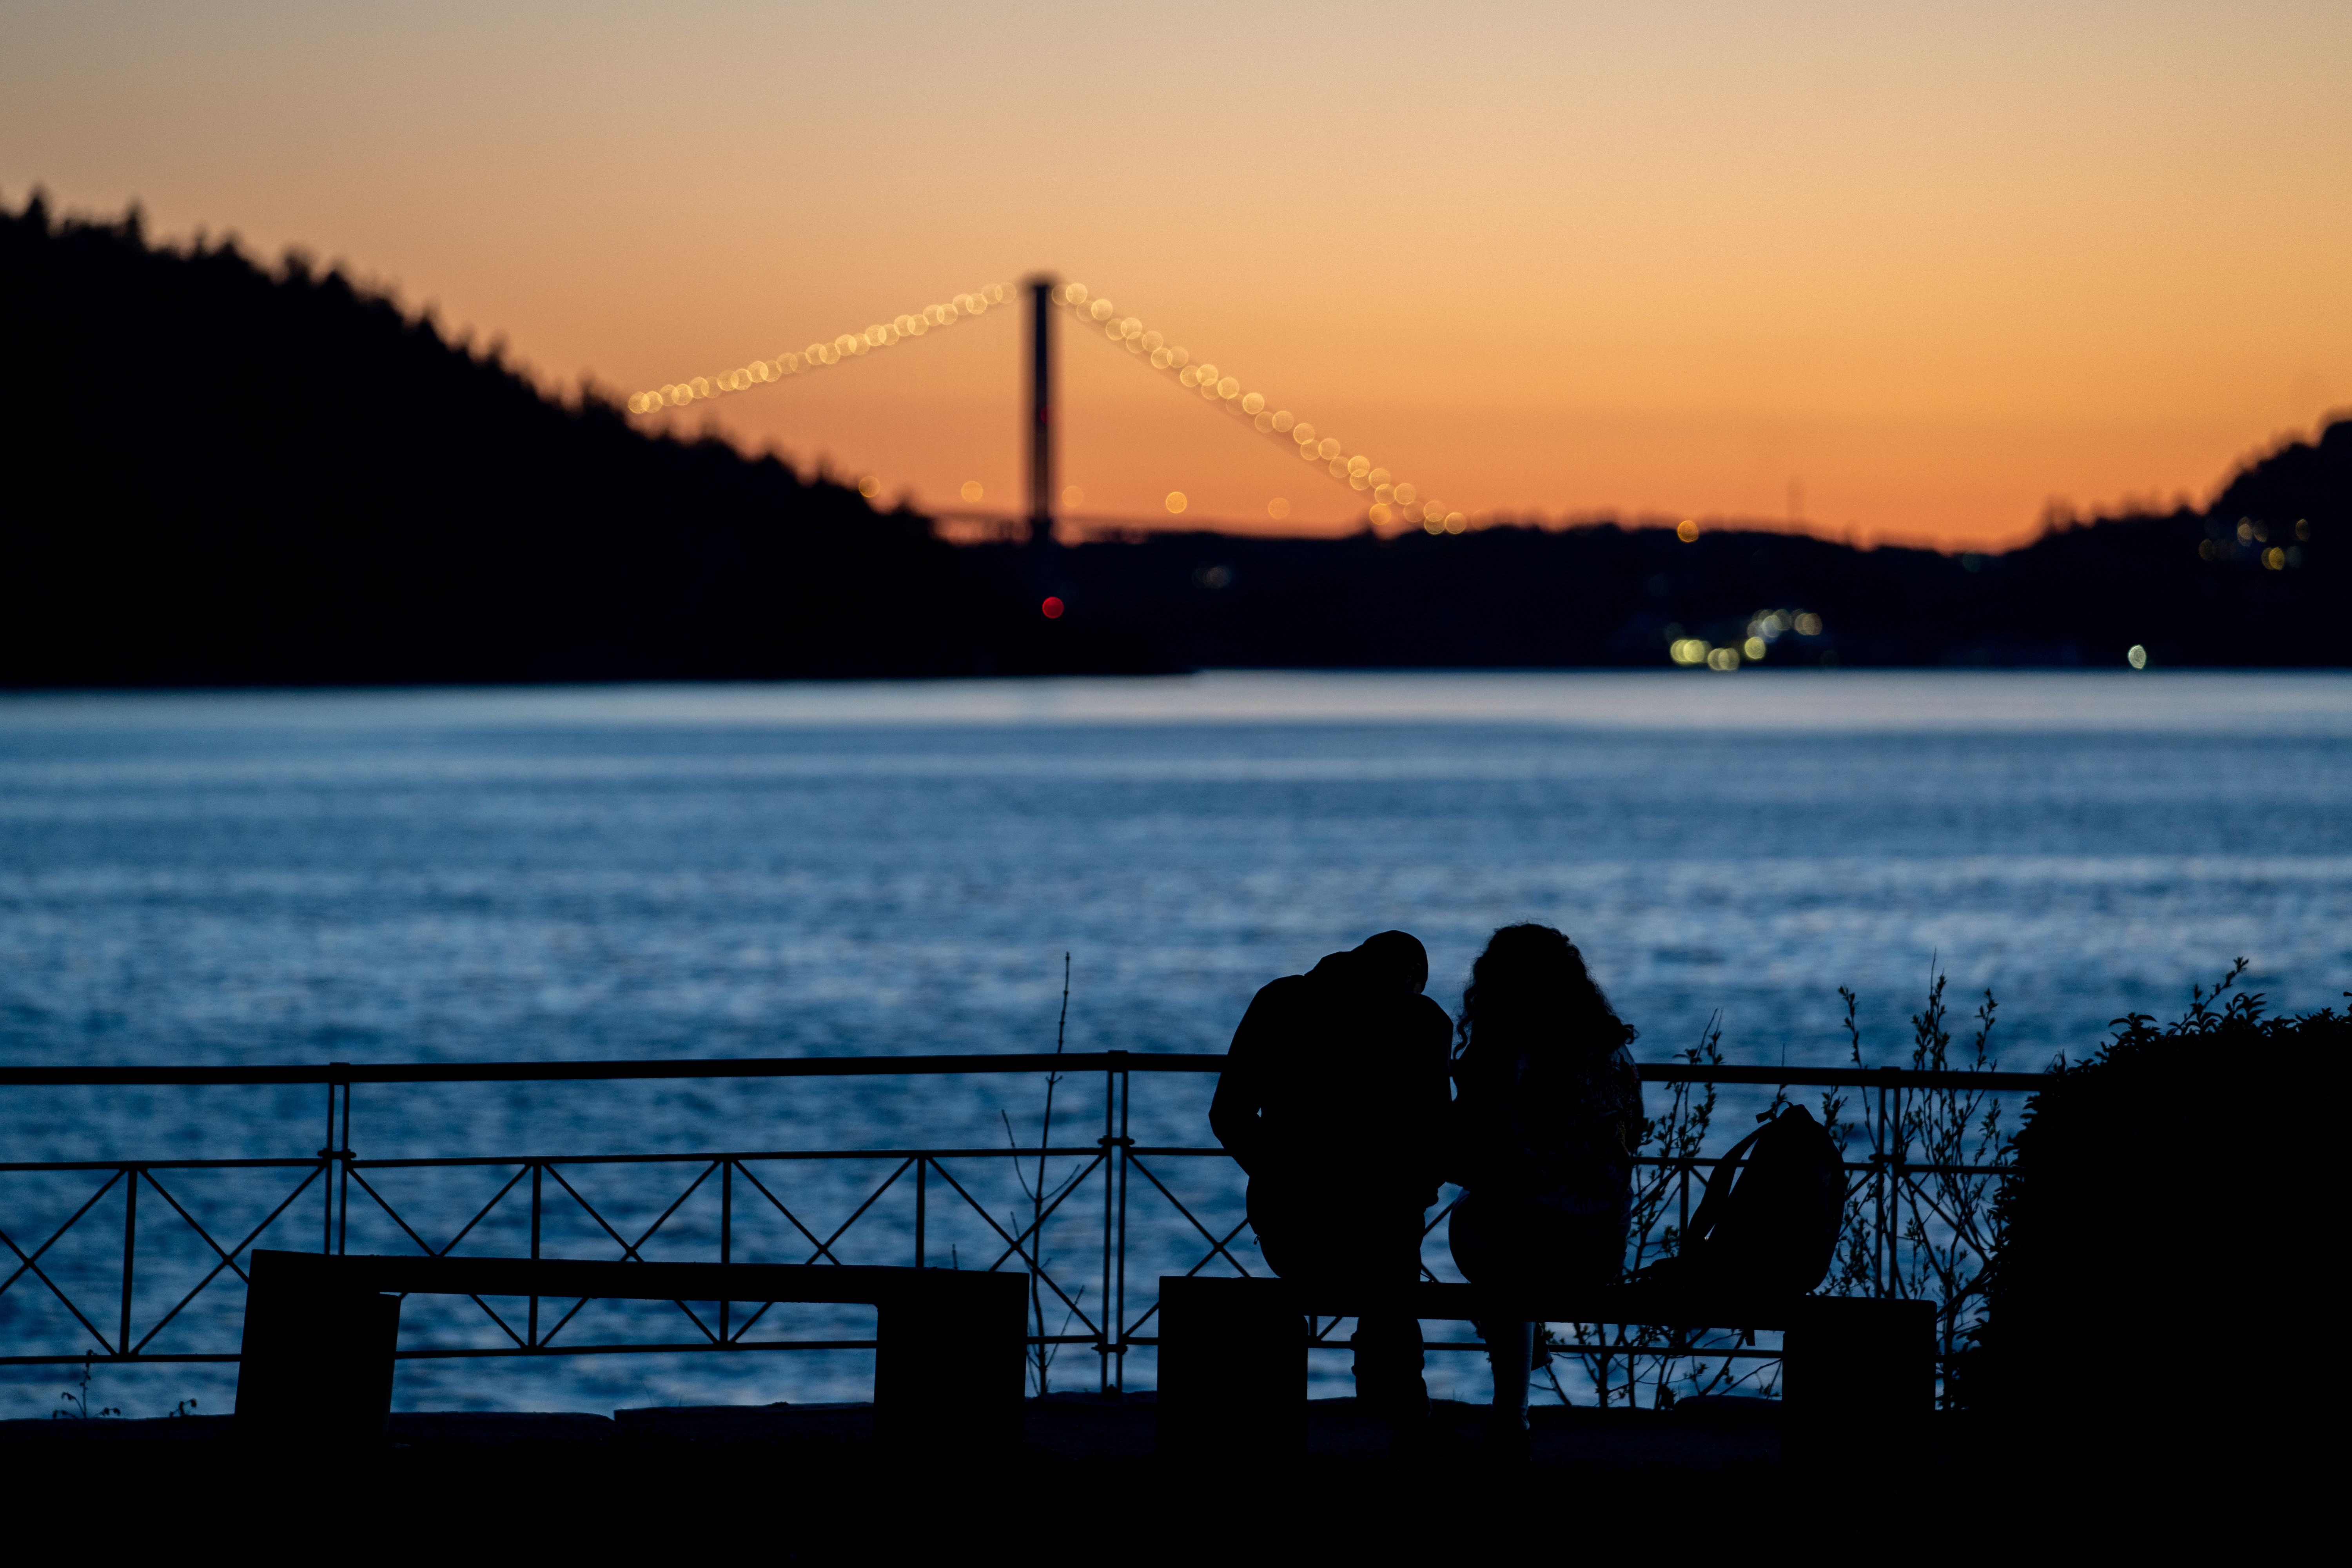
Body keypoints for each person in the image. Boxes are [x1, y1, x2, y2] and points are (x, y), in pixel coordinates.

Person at [1209, 931, 1453, 1425]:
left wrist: (1284, 1178)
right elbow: (1437, 1138)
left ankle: (1392, 1404)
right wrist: (1412, 1192)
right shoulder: (1423, 1020)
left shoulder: (1279, 1001)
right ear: (1412, 976)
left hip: (1289, 1228)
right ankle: (1405, 1414)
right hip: (1384, 1231)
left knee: (1384, 1256)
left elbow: (1228, 1115)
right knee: (1392, 1262)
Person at [1444, 922, 1643, 1457]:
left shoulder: (1506, 1053)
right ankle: (1514, 1407)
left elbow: (1464, 1155)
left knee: (1477, 1217)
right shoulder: (1614, 1054)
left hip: (1526, 1249)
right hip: (1601, 1249)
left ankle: (1510, 1417)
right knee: (1511, 1216)